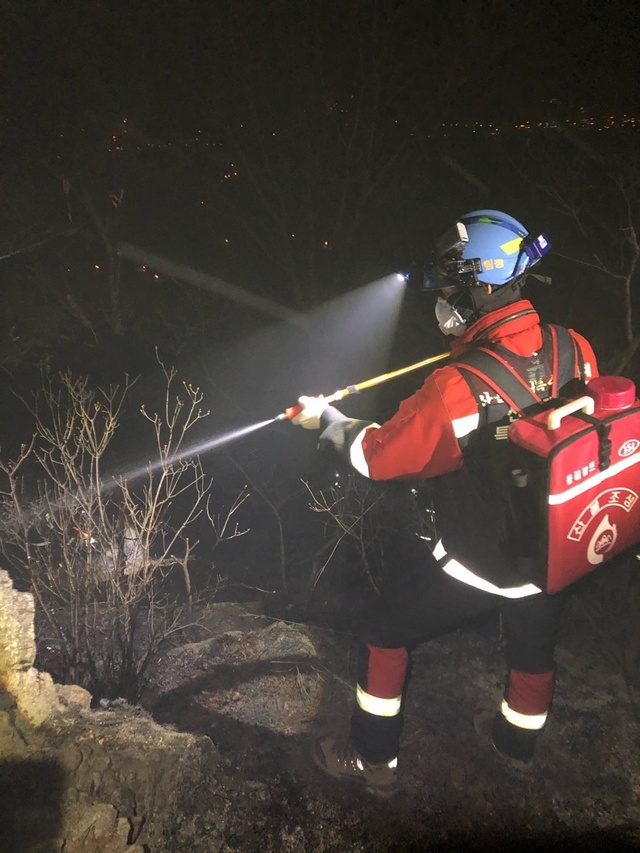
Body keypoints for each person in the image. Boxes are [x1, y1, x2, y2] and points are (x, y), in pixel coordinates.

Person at [291, 209, 599, 797]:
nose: (444, 300)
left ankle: (373, 758)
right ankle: (516, 745)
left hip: (483, 558)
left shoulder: (456, 386)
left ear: (481, 286)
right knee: (534, 646)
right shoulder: (574, 345)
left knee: (384, 630)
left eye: (451, 287)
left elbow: (380, 458)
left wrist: (327, 420)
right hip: (557, 548)